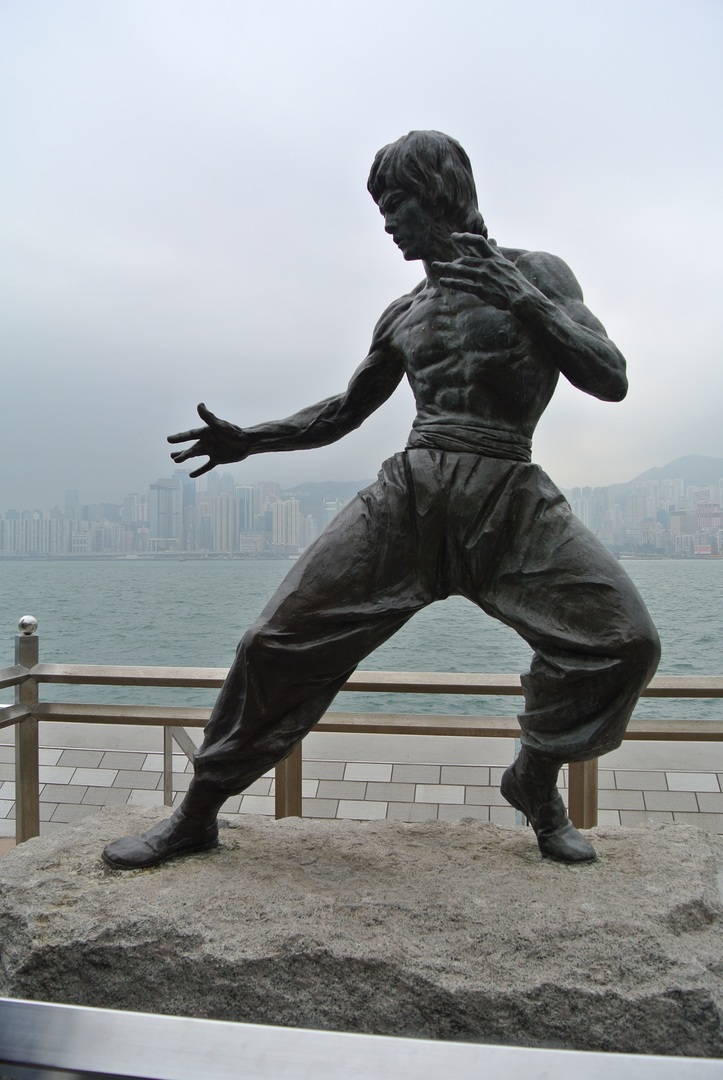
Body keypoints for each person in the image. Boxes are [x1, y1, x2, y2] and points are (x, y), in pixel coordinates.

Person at [103, 131, 659, 870]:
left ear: (439, 194)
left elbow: (609, 376)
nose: (387, 222)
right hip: (411, 496)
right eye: (381, 208)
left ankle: (534, 779)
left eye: (395, 203)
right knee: (272, 643)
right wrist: (251, 440)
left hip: (507, 493)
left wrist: (523, 301)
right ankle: (196, 815)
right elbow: (343, 412)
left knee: (624, 643)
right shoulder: (404, 313)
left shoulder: (537, 273)